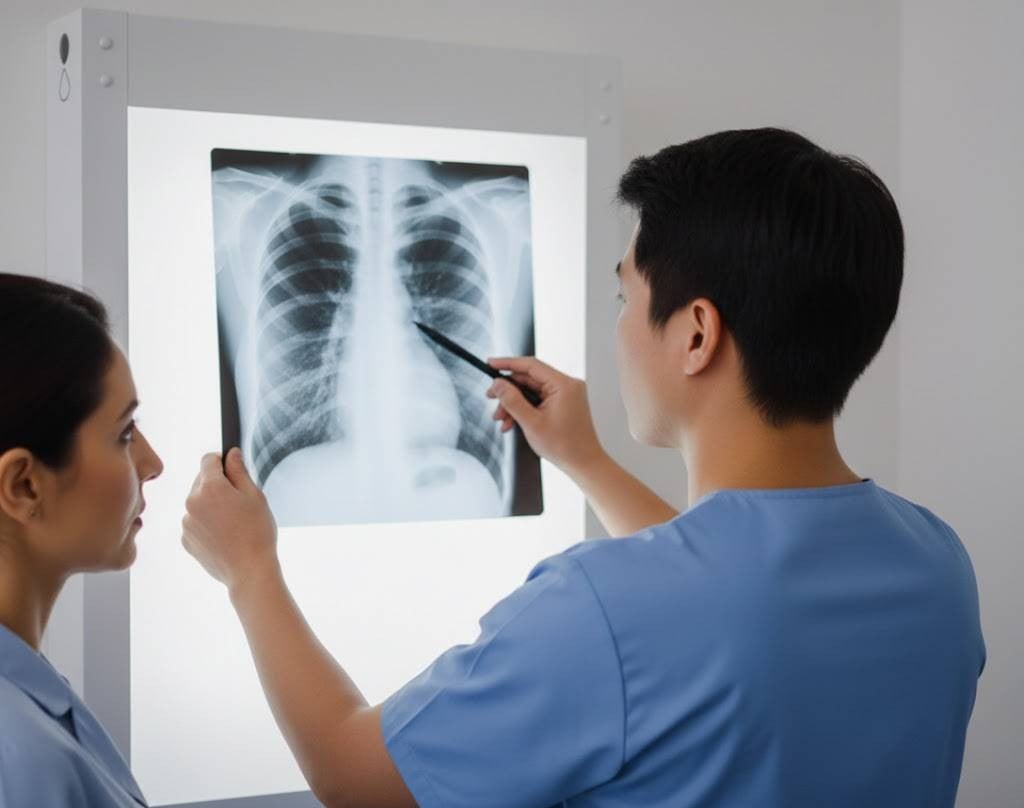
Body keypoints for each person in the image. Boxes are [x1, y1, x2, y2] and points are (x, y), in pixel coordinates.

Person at [181, 128, 985, 808]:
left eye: (623, 297)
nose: (618, 328)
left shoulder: (601, 606)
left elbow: (356, 779)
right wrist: (585, 460)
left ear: (696, 334)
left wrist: (250, 570)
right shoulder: (935, 562)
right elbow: (733, 605)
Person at [0, 274, 163, 806]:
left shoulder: (30, 708)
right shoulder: (23, 759)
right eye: (123, 434)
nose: (152, 464)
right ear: (23, 485)